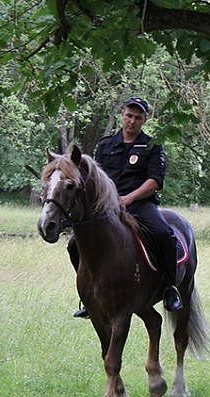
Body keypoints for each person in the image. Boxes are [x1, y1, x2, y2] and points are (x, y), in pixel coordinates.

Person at [70, 97, 182, 318]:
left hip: (140, 204)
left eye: (137, 117)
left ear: (144, 120)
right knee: (75, 243)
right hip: (106, 206)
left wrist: (129, 198)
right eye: (129, 116)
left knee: (163, 234)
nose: (132, 121)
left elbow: (155, 181)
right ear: (122, 115)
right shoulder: (105, 145)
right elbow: (95, 176)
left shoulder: (152, 145)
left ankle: (171, 288)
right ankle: (88, 295)